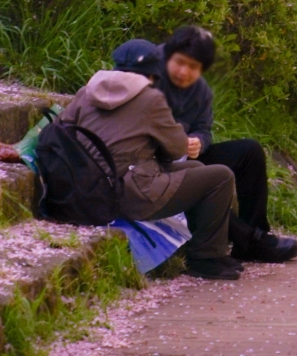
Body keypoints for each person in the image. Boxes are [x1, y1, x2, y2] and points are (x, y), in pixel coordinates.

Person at [122, 26, 297, 265]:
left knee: (249, 151)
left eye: (194, 67)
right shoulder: (147, 76)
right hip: (152, 165)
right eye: (180, 63)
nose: (185, 72)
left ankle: (256, 232)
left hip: (186, 158)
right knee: (209, 180)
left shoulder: (200, 91)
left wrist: (198, 142)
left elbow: (204, 129)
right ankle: (251, 241)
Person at [57, 67, 242, 281]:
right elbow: (175, 149)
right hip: (130, 193)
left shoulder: (86, 94)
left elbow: (58, 129)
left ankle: (200, 249)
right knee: (221, 176)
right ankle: (205, 259)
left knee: (195, 169)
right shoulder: (149, 101)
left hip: (90, 189)